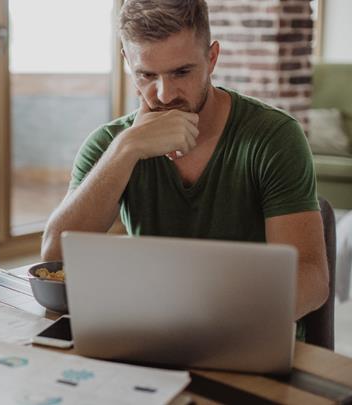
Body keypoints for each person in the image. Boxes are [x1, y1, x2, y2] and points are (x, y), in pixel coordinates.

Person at [42, 0, 328, 325]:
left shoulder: (274, 137)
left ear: (212, 58)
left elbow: (312, 277)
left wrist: (217, 319)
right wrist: (127, 149)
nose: (164, 95)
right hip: (152, 331)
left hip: (245, 330)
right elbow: (54, 259)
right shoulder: (111, 144)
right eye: (147, 75)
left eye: (181, 72)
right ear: (126, 62)